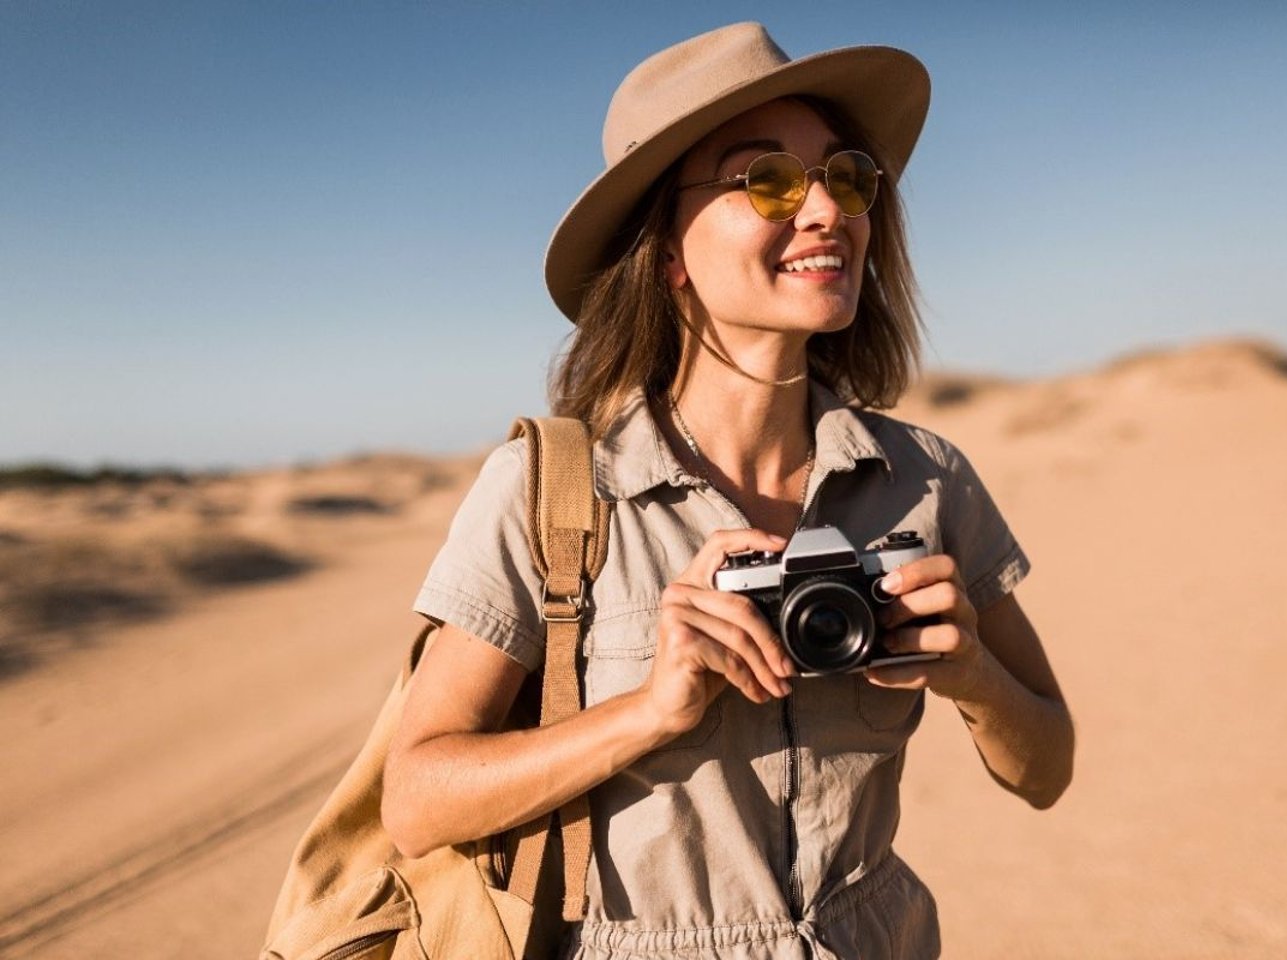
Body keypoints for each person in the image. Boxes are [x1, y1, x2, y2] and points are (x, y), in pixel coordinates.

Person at [381, 22, 1073, 960]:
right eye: (770, 180)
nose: (828, 210)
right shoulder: (553, 498)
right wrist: (651, 710)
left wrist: (973, 676)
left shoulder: (926, 480)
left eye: (847, 176)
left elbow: (1047, 769)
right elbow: (415, 803)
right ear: (665, 249)